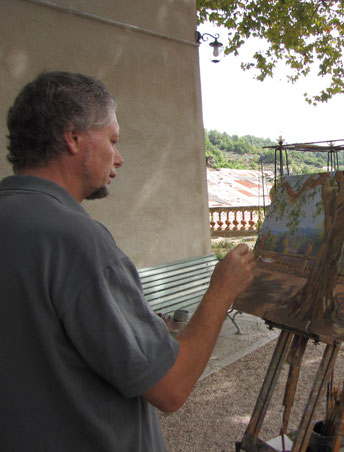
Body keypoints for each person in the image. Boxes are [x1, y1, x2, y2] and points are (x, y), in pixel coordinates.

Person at [0, 71, 255, 451]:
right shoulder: (77, 241)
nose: (119, 158)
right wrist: (222, 290)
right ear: (73, 138)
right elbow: (171, 387)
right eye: (113, 140)